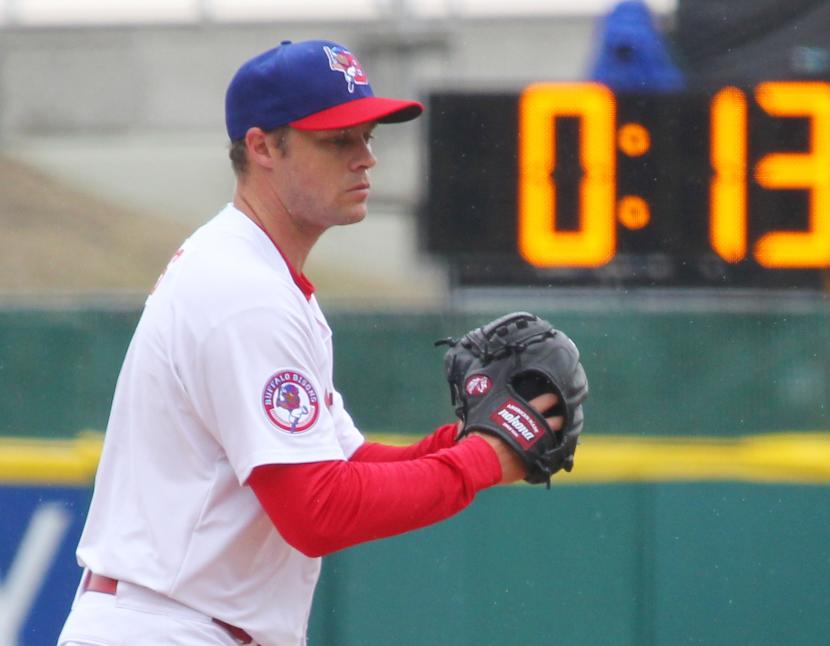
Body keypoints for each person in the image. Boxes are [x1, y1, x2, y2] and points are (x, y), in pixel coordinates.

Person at [57, 39, 562, 646]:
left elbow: (343, 465)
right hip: (167, 626)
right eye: (337, 140)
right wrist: (483, 459)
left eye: (367, 136)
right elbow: (317, 511)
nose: (365, 158)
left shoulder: (260, 276)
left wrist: (469, 441)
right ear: (262, 146)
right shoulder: (242, 293)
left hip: (183, 619)